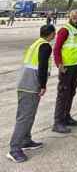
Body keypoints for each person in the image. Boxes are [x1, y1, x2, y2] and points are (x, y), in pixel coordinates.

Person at [7, 24, 55, 163]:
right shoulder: (45, 46)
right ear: (51, 34)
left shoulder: (36, 43)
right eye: (54, 34)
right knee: (25, 117)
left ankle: (26, 141)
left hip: (24, 82)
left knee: (28, 115)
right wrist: (43, 85)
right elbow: (42, 66)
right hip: (30, 85)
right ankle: (14, 149)